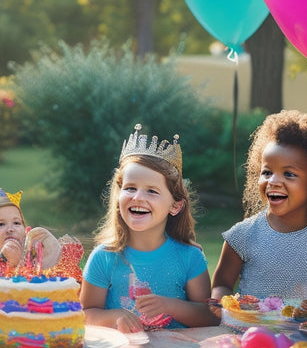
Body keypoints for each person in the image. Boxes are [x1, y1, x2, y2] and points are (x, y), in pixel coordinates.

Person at [211, 110, 307, 302]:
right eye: (267, 172)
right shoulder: (242, 236)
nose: (273, 181)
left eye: (289, 174)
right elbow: (221, 284)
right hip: (252, 331)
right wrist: (220, 301)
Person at [80, 123, 217, 333]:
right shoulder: (104, 257)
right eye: (130, 188)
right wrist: (117, 316)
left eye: (152, 191)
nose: (138, 197)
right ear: (118, 197)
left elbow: (209, 317)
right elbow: (86, 313)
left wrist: (169, 306)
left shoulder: (190, 257)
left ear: (175, 205)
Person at [0, 176, 83, 281]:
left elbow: (66, 283)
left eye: (17, 223)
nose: (10, 229)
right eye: (0, 224)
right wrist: (17, 264)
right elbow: (2, 294)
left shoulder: (33, 248)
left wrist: (53, 253)